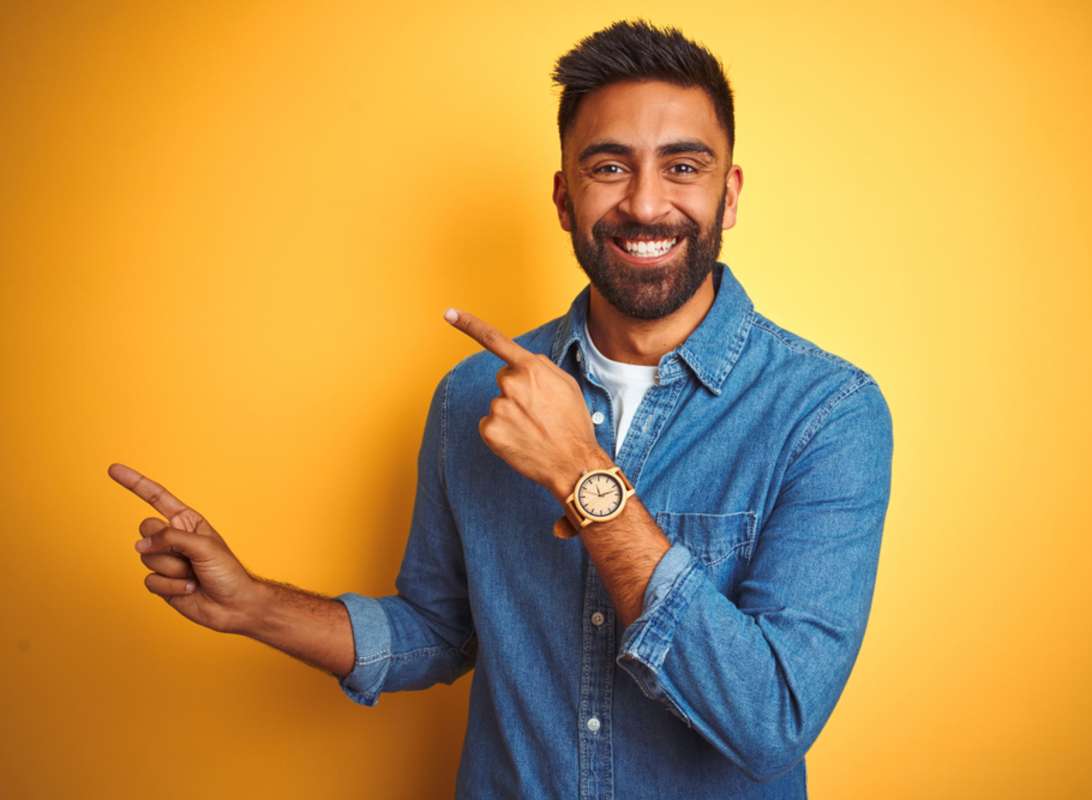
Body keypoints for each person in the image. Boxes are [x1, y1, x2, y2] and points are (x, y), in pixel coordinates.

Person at [110, 19, 894, 798]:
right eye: (609, 167)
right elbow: (440, 630)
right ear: (565, 197)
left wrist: (584, 474)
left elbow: (772, 717)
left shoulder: (826, 413)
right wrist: (254, 605)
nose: (646, 203)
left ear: (728, 196)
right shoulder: (472, 398)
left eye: (682, 166)